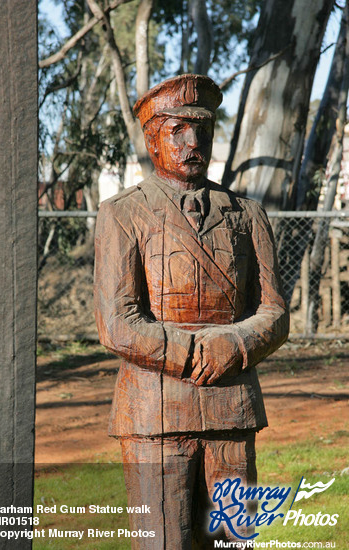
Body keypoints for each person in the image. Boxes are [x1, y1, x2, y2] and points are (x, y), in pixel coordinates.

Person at [94, 74, 289, 549]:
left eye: (202, 129)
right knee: (165, 542)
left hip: (232, 410)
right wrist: (190, 352)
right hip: (154, 411)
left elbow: (275, 312)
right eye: (177, 130)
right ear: (152, 140)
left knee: (233, 540)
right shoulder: (123, 214)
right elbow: (116, 322)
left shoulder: (246, 214)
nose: (193, 142)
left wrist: (234, 343)